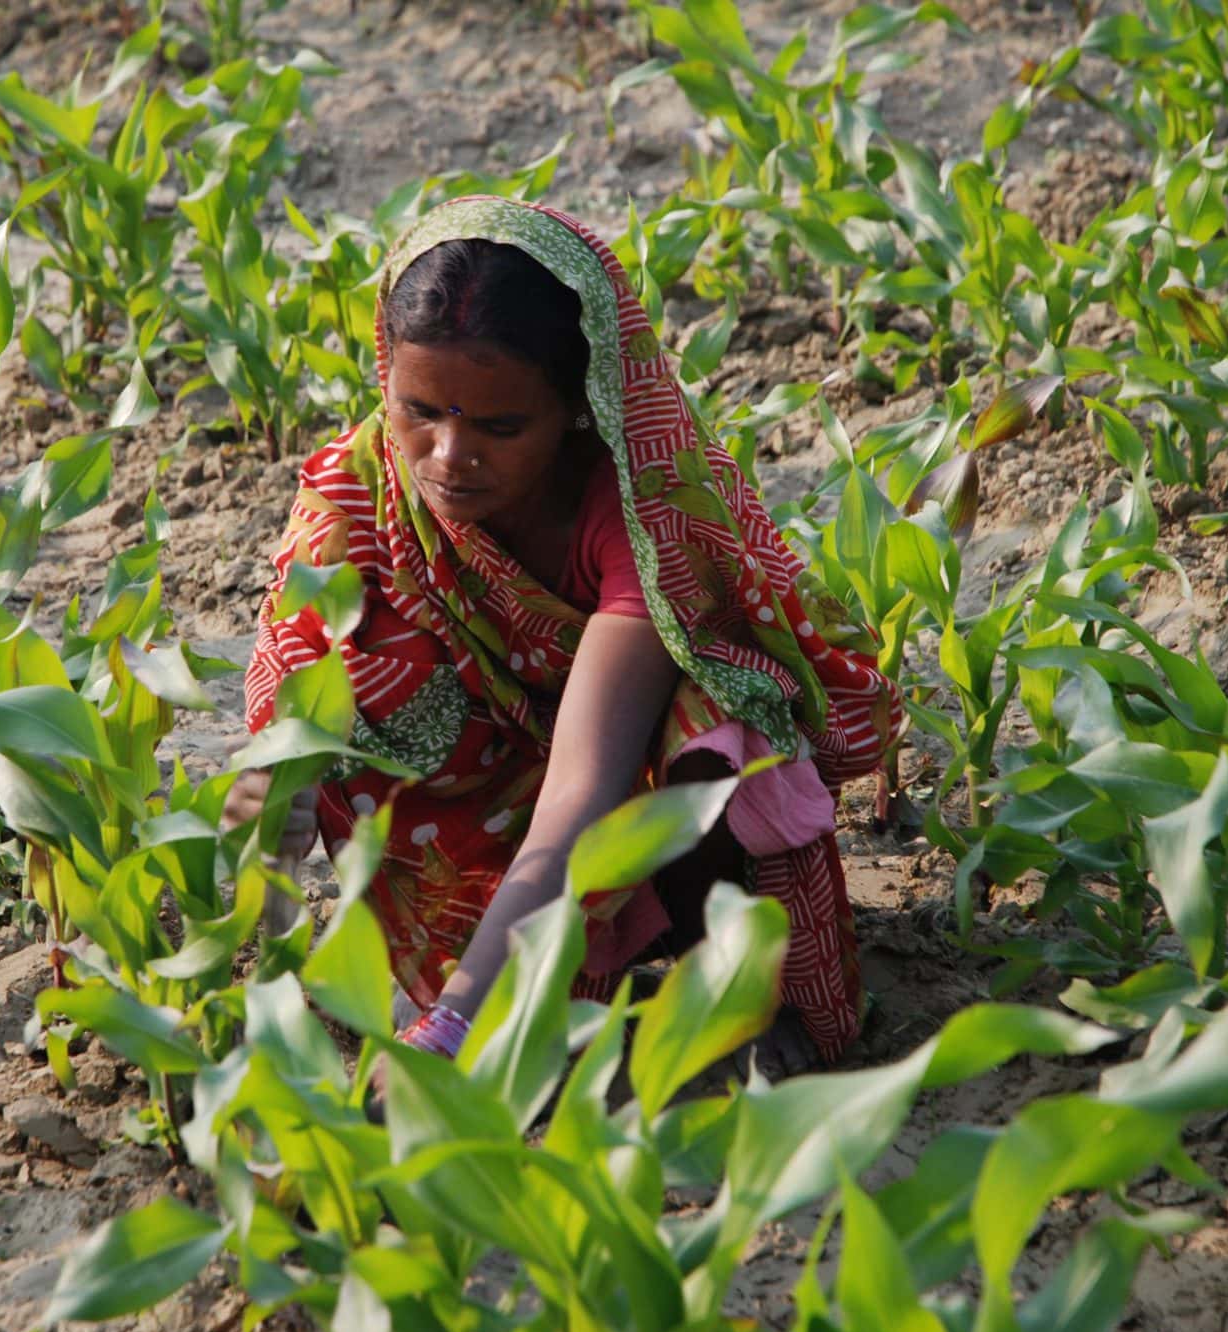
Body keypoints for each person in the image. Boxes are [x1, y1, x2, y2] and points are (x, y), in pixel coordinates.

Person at [226, 196, 900, 1070]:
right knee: (337, 684)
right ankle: (472, 969)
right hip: (480, 805)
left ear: (579, 407)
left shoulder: (645, 519)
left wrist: (452, 1035)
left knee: (721, 727)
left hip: (629, 784)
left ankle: (724, 986)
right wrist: (256, 874)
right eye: (419, 410)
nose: (447, 456)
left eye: (501, 427)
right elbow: (285, 713)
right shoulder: (360, 495)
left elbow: (584, 788)